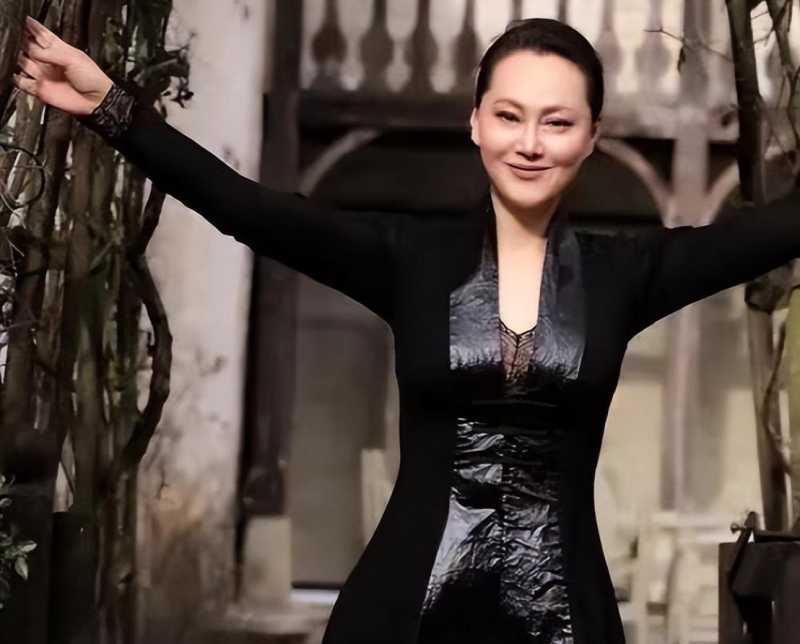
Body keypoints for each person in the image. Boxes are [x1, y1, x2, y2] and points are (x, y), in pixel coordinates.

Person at [13, 13, 799, 644]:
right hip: (406, 604)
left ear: (591, 136)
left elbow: (774, 231)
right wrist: (113, 108)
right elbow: (245, 207)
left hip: (564, 612)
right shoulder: (409, 257)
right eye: (509, 116)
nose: (530, 143)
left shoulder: (624, 273)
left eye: (557, 122)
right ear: (476, 123)